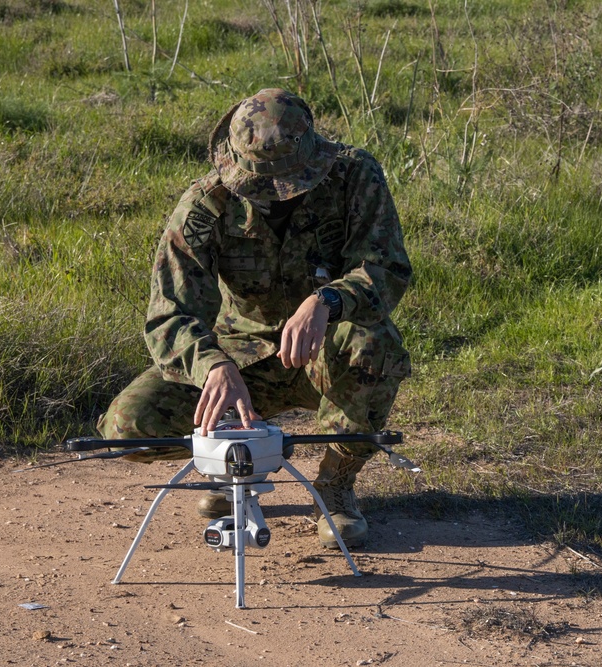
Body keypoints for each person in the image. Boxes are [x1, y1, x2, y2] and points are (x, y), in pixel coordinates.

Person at [97, 88, 412, 550]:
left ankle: (334, 486)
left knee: (374, 344)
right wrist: (213, 367)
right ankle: (233, 468)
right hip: (241, 362)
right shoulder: (206, 206)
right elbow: (171, 313)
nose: (274, 194)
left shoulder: (356, 177)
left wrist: (327, 301)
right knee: (127, 427)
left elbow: (385, 266)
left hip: (326, 351)